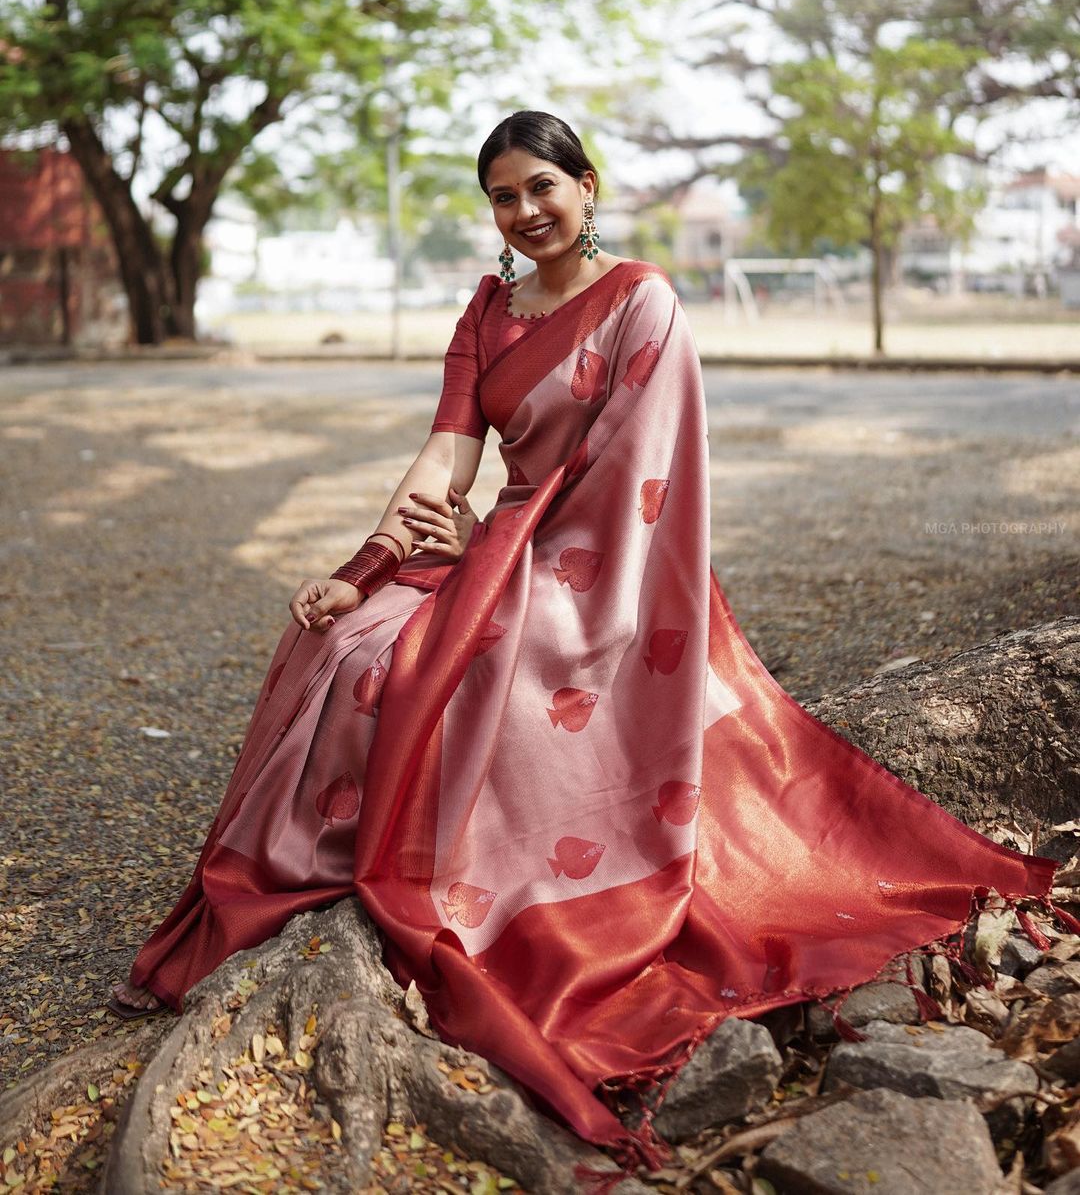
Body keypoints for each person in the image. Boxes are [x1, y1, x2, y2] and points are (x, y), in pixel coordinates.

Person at [108, 111, 1063, 1176]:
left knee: (432, 674)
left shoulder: (642, 300)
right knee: (348, 644)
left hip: (608, 573)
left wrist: (490, 551)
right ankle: (323, 859)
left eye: (540, 189)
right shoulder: (490, 306)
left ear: (587, 185)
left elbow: (633, 487)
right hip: (500, 548)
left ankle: (455, 871)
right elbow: (443, 454)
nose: (524, 214)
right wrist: (366, 564)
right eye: (502, 198)